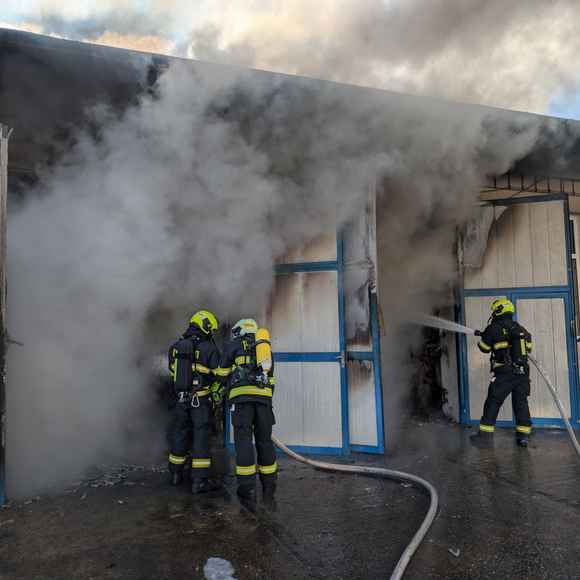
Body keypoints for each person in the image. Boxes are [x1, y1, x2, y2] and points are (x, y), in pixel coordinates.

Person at [215, 319, 277, 502]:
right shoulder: (265, 349)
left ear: (240, 331)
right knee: (265, 442)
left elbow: (222, 374)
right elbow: (271, 380)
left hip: (242, 402)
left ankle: (247, 488)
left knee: (244, 442)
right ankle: (269, 485)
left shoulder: (232, 346)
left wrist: (221, 389)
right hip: (264, 401)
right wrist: (265, 399)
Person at [167, 310, 221, 493]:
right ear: (206, 326)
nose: (212, 333)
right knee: (201, 438)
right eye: (211, 329)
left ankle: (175, 474)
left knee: (179, 434)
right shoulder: (209, 348)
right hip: (201, 401)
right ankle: (199, 481)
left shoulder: (175, 347)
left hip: (181, 400)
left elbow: (172, 372)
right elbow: (218, 375)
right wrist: (215, 392)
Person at [471, 298, 533, 448]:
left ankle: (484, 438)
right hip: (523, 372)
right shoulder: (520, 328)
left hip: (504, 372)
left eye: (494, 310)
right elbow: (529, 348)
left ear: (498, 311)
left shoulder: (493, 328)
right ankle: (523, 437)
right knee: (521, 403)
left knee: (493, 402)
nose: (493, 313)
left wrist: (486, 336)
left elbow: (484, 348)